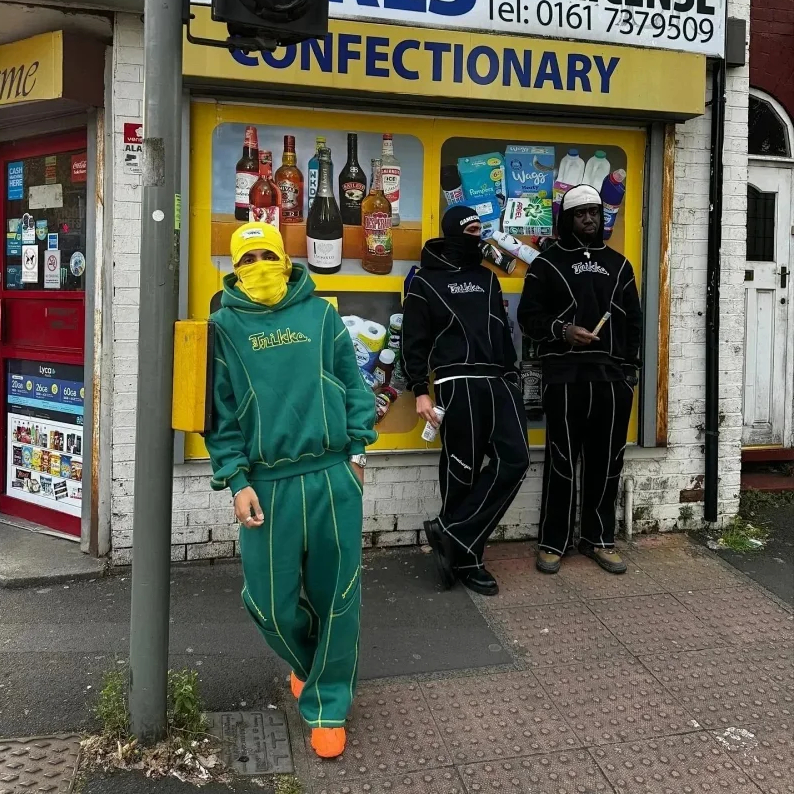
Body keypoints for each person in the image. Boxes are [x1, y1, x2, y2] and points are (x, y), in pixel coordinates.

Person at [205, 222, 376, 759]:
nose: (258, 265)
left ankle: (328, 706)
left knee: (339, 597)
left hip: (331, 476)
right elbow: (220, 415)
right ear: (235, 268)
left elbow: (353, 385)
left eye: (266, 255)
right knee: (270, 606)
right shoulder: (222, 326)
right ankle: (311, 662)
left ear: (284, 258)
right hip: (267, 486)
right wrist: (236, 480)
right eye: (247, 258)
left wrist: (358, 453)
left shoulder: (322, 316)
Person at [401, 205, 530, 596]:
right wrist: (420, 390)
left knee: (516, 460)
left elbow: (501, 332)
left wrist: (512, 377)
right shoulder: (424, 281)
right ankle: (468, 559)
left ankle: (451, 533)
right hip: (455, 382)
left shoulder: (487, 278)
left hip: (498, 380)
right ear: (454, 233)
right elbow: (413, 340)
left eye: (479, 229)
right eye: (471, 230)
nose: (478, 236)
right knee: (462, 472)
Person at [517, 184, 642, 576]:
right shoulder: (546, 264)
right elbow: (527, 318)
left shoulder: (620, 265)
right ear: (566, 219)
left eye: (594, 212)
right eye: (580, 213)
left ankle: (598, 539)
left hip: (611, 377)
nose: (589, 219)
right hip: (565, 376)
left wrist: (630, 370)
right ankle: (553, 542)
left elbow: (634, 321)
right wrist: (563, 331)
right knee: (562, 461)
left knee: (607, 461)